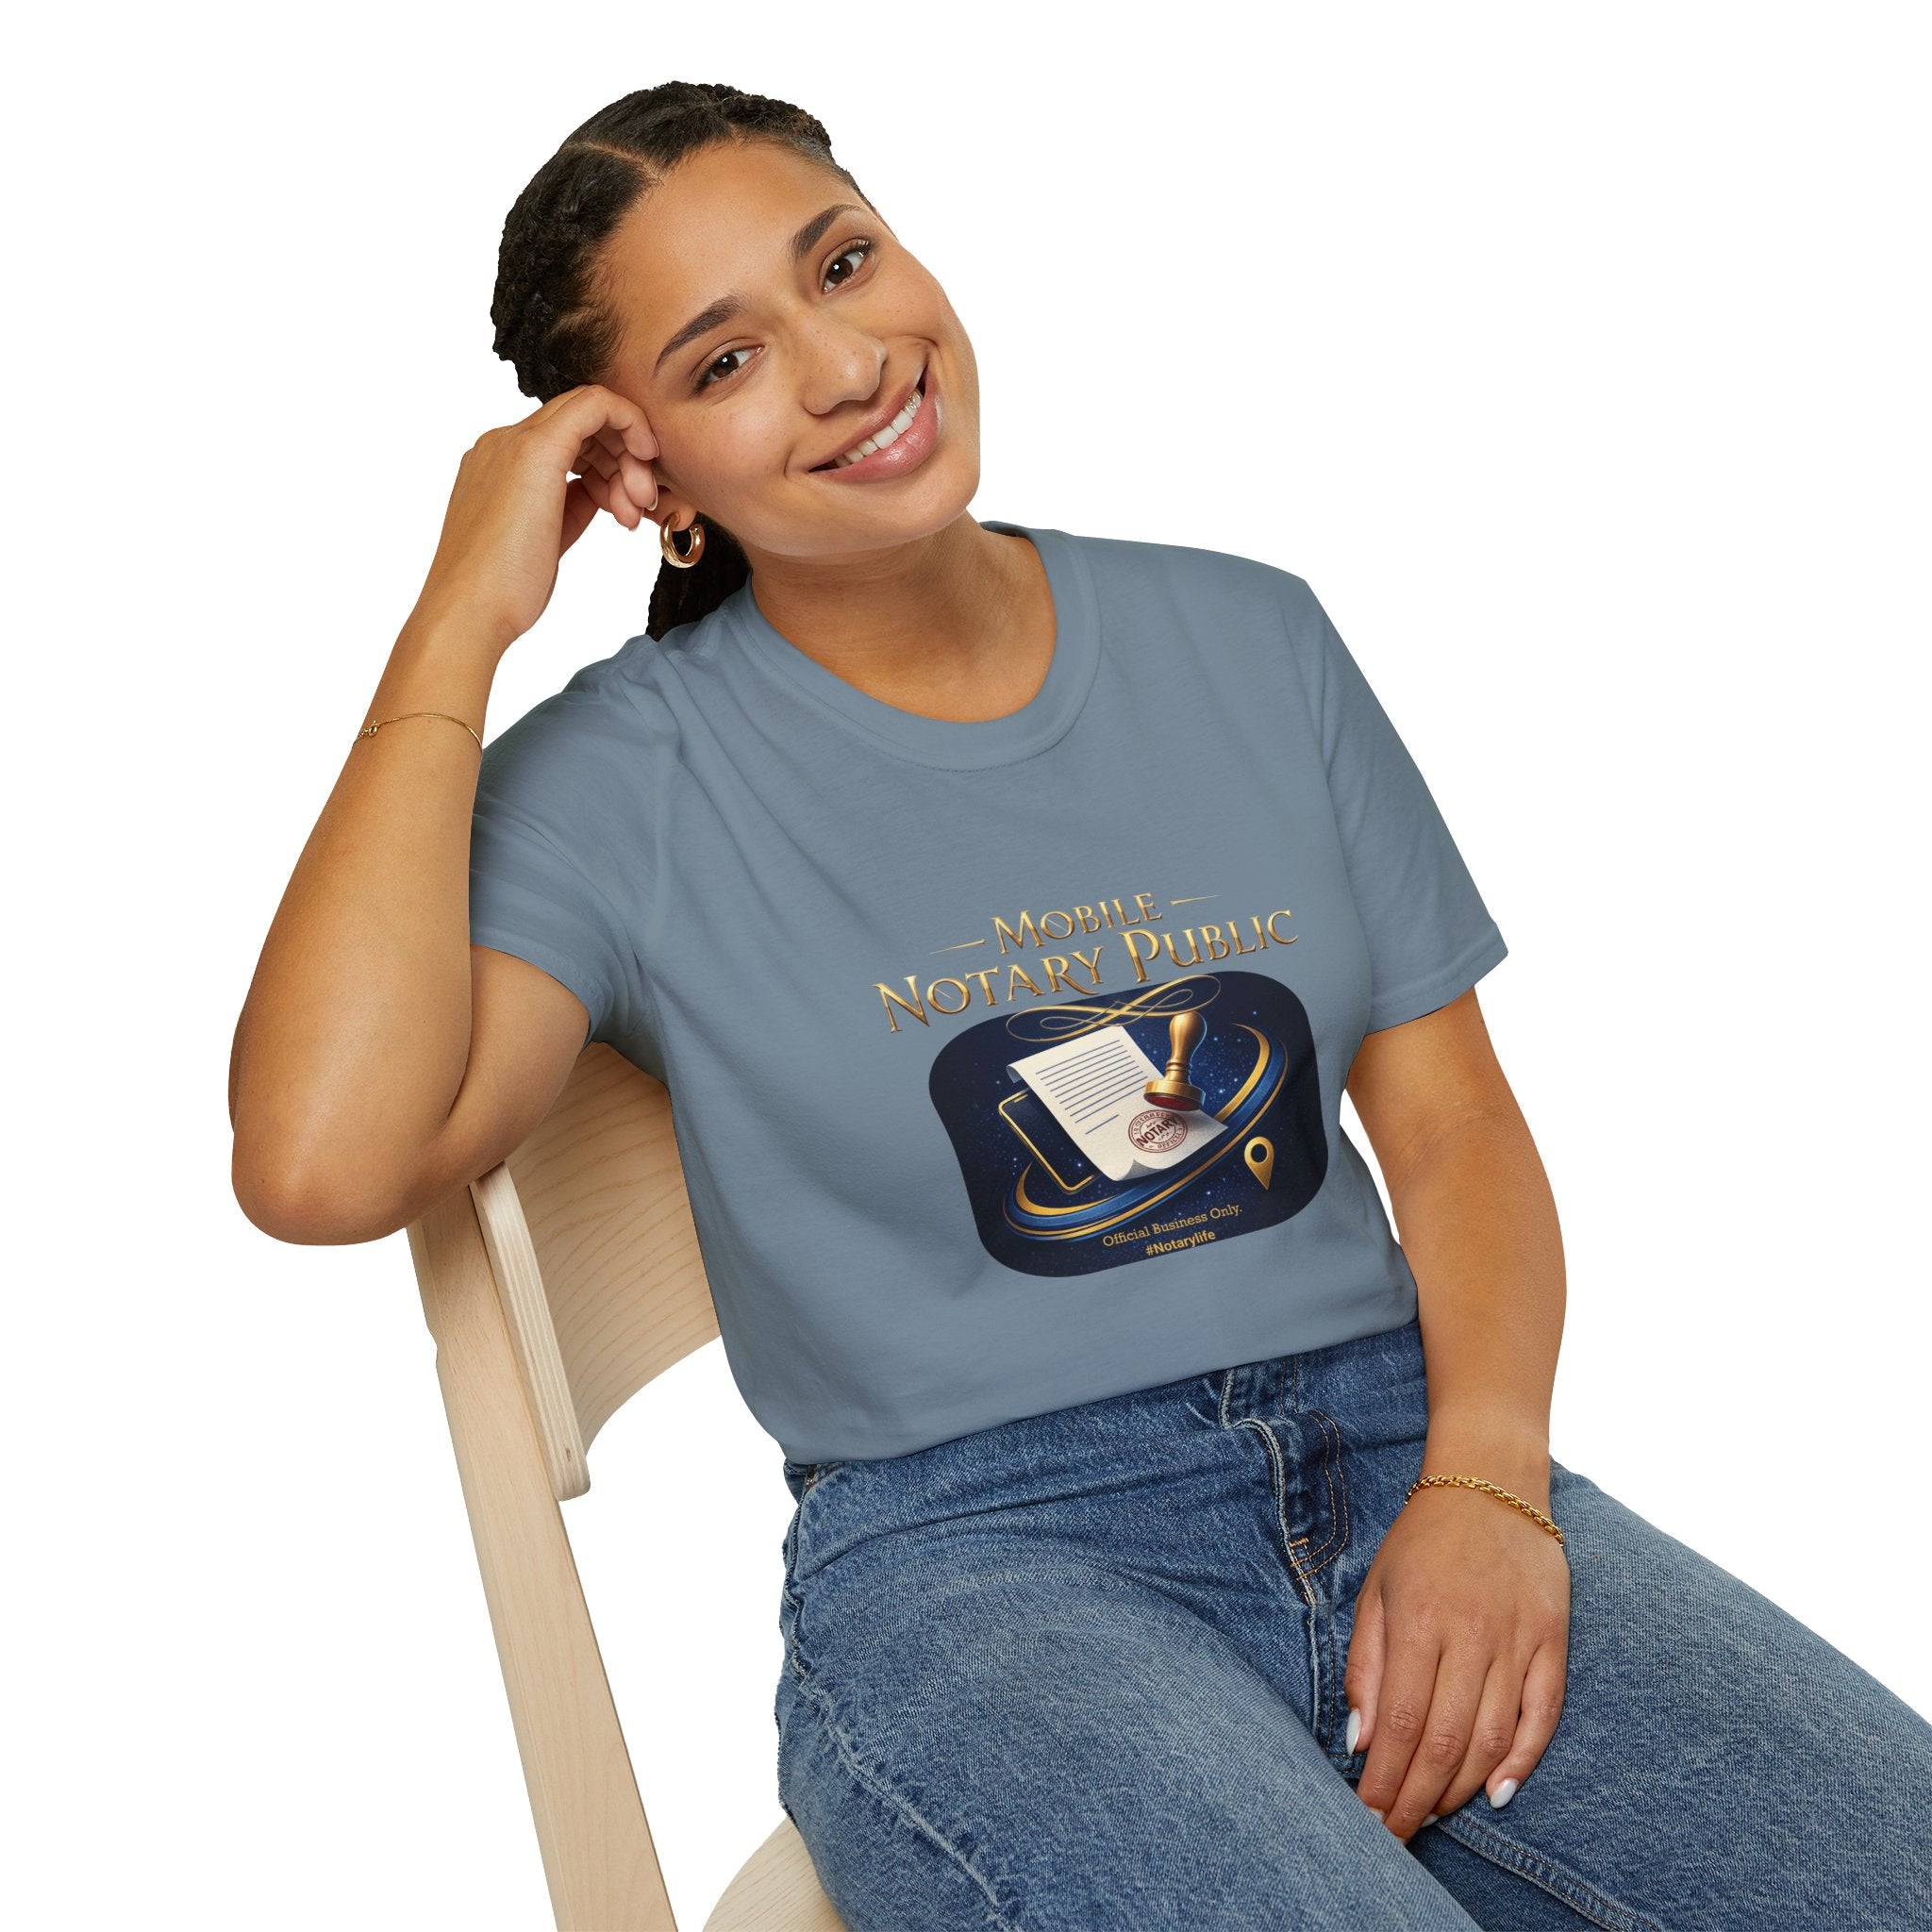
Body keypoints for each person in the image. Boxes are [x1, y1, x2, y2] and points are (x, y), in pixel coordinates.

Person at [228, 80, 1932, 1931]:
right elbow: (320, 1159)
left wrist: (1490, 1487)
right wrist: (455, 619)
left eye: (845, 263)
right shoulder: (625, 778)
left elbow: (1448, 1131)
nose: (846, 361)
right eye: (725, 362)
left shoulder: (1249, 639)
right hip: (985, 1566)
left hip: (1403, 1451)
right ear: (649, 482)